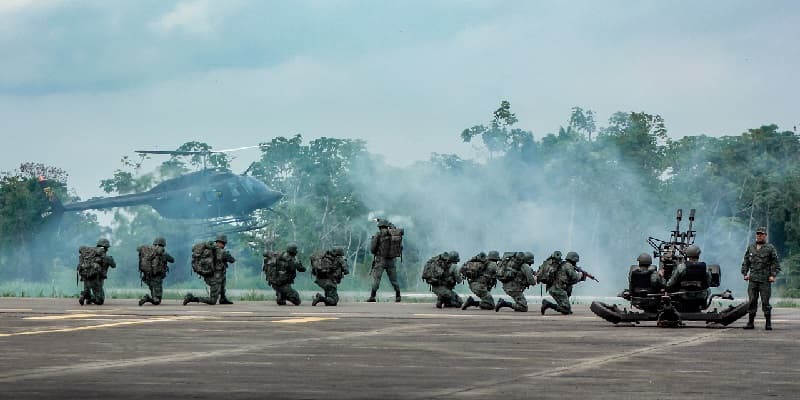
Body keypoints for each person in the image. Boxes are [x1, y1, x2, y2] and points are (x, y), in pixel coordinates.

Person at [741, 226, 781, 330]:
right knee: (752, 301)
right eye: (758, 234)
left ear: (765, 236)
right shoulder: (751, 247)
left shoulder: (770, 248)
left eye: (761, 234)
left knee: (765, 302)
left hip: (765, 280)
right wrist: (745, 273)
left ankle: (768, 323)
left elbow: (775, 263)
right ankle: (750, 323)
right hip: (753, 279)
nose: (759, 236)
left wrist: (773, 275)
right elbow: (746, 262)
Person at [183, 234, 236, 306]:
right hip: (215, 278)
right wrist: (227, 255)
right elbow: (232, 260)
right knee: (212, 301)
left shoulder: (209, 250)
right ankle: (191, 298)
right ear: (224, 243)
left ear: (216, 241)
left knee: (223, 278)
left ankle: (223, 298)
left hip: (210, 275)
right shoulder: (222, 252)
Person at [664, 245, 711, 312]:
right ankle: (700, 306)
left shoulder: (681, 267)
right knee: (708, 290)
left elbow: (670, 284)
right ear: (698, 254)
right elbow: (708, 283)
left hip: (684, 296)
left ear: (687, 254)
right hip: (700, 296)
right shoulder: (705, 268)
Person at [368, 219, 403, 302]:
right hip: (391, 260)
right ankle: (398, 296)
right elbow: (400, 247)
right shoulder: (394, 235)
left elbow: (372, 249)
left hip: (380, 260)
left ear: (379, 226)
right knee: (394, 280)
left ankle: (372, 296)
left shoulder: (379, 234)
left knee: (377, 279)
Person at [78, 238, 116, 306]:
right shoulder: (105, 257)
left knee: (87, 289)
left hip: (85, 275)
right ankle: (89, 297)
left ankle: (85, 295)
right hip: (96, 279)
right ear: (106, 248)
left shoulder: (89, 255)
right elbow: (114, 265)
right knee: (100, 300)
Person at [138, 237, 175, 306]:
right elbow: (172, 260)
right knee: (157, 301)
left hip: (147, 276)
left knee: (154, 294)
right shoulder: (162, 253)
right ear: (163, 244)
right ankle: (148, 298)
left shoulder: (148, 251)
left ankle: (149, 298)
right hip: (157, 277)